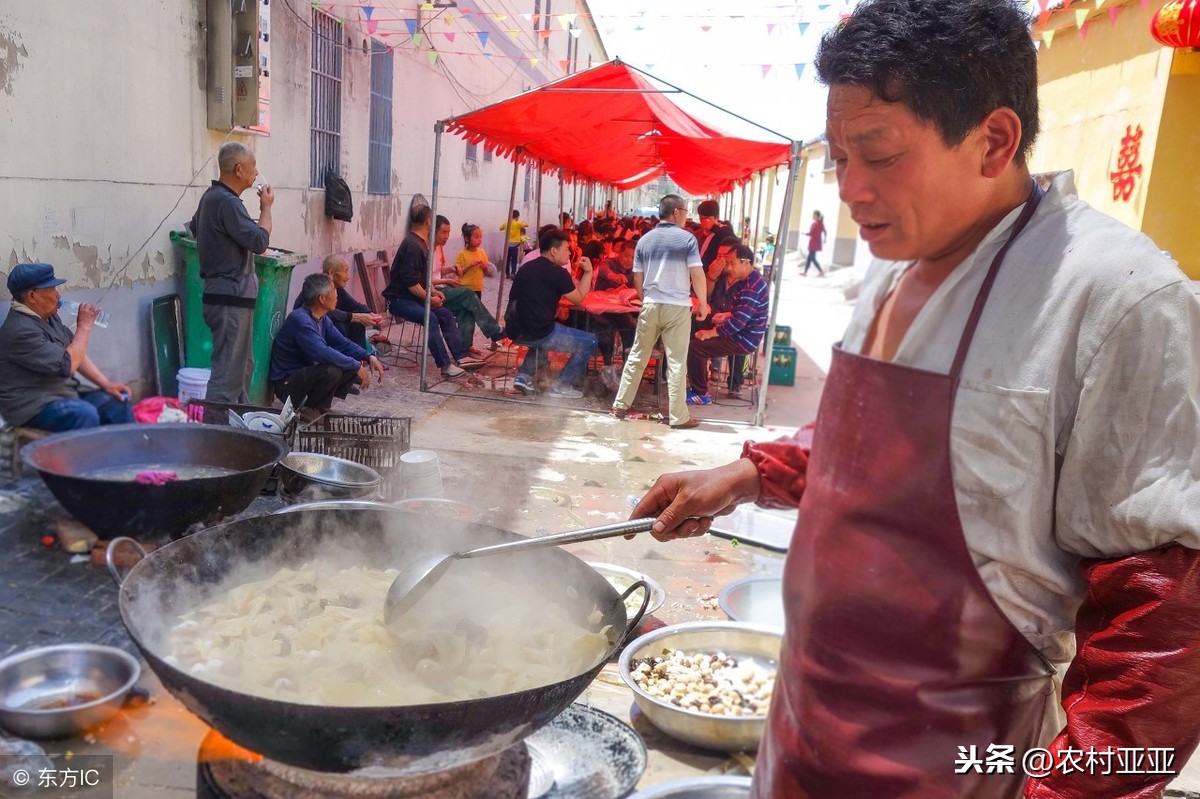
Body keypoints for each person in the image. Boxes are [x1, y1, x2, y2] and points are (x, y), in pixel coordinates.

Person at [631, 1, 1200, 796]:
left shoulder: (1115, 301)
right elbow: (875, 443)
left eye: (879, 154)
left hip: (957, 762)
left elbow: (1163, 624)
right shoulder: (898, 256)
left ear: (994, 140)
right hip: (802, 729)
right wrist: (750, 472)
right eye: (838, 158)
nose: (851, 190)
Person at [611, 195, 709, 430]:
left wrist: (646, 300)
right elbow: (696, 274)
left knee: (638, 355)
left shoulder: (644, 240)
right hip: (677, 307)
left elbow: (638, 277)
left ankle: (620, 404)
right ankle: (678, 417)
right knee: (676, 362)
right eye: (685, 211)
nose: (687, 215)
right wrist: (703, 303)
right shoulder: (687, 240)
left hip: (652, 304)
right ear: (676, 212)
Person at [0, 263, 132, 431]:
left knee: (117, 402)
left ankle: (127, 455)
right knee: (85, 414)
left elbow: (76, 352)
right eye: (52, 289)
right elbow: (68, 365)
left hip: (61, 394)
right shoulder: (20, 331)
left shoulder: (48, 317)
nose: (58, 295)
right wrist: (84, 327)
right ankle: (87, 457)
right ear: (32, 296)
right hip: (31, 404)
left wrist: (107, 384)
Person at [188, 141, 273, 403]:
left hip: (227, 297)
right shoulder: (227, 203)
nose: (256, 172)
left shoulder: (212, 198)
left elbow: (194, 228)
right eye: (253, 166)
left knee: (241, 367)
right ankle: (217, 434)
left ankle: (238, 428)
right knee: (227, 375)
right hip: (229, 299)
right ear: (238, 169)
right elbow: (259, 241)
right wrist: (266, 208)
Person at [382, 205, 484, 378]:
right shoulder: (413, 245)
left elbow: (423, 279)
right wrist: (430, 298)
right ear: (429, 221)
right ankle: (444, 366)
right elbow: (411, 284)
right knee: (430, 318)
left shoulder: (421, 244)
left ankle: (461, 357)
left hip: (413, 298)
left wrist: (434, 291)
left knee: (445, 314)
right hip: (399, 300)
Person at [270, 274, 384, 414]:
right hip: (287, 384)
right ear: (322, 299)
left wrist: (368, 356)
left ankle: (320, 407)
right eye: (333, 291)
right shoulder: (300, 319)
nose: (337, 296)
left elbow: (344, 344)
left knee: (345, 365)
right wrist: (355, 365)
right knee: (333, 369)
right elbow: (321, 352)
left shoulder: (322, 318)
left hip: (304, 375)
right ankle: (307, 408)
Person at [504, 228, 597, 399]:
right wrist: (589, 272)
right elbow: (578, 299)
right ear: (554, 251)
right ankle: (562, 385)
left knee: (542, 330)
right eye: (567, 249)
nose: (570, 253)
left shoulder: (526, 267)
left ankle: (524, 376)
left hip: (514, 330)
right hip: (538, 332)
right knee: (590, 341)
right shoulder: (558, 273)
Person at [685, 245, 768, 406]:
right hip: (741, 332)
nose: (728, 268)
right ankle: (697, 382)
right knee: (699, 322)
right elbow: (743, 312)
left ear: (745, 262)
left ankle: (700, 393)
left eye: (732, 263)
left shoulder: (751, 287)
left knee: (696, 347)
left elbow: (737, 323)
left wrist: (710, 333)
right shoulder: (751, 279)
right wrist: (726, 315)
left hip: (743, 339)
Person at [291, 255, 382, 351]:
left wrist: (370, 315)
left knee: (356, 324)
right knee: (340, 325)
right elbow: (328, 313)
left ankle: (360, 359)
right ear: (331, 273)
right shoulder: (318, 288)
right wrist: (356, 317)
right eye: (346, 270)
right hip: (310, 333)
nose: (349, 276)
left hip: (324, 329)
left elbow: (354, 305)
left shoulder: (337, 289)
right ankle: (348, 361)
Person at [454, 223, 494, 300]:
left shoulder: (482, 252)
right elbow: (459, 273)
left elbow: (486, 272)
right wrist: (470, 265)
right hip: (464, 289)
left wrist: (484, 267)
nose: (479, 240)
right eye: (476, 237)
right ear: (466, 239)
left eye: (480, 237)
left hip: (477, 288)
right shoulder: (461, 254)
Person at [695, 199, 733, 269]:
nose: (703, 222)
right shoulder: (698, 233)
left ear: (717, 217)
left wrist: (713, 227)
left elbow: (732, 239)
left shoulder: (724, 229)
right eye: (701, 218)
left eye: (707, 219)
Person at [499, 210, 527, 277]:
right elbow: (526, 225)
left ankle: (507, 273)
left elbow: (500, 228)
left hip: (507, 245)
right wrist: (523, 223)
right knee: (514, 260)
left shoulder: (506, 223)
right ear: (517, 216)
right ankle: (513, 273)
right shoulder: (518, 224)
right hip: (515, 245)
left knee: (507, 259)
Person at [803, 210, 826, 276]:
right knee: (809, 258)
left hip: (814, 243)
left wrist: (806, 234)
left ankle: (821, 271)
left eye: (814, 215)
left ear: (816, 216)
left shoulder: (817, 224)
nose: (812, 216)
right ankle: (805, 272)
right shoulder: (819, 224)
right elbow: (824, 231)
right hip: (814, 243)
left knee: (812, 258)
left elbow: (812, 233)